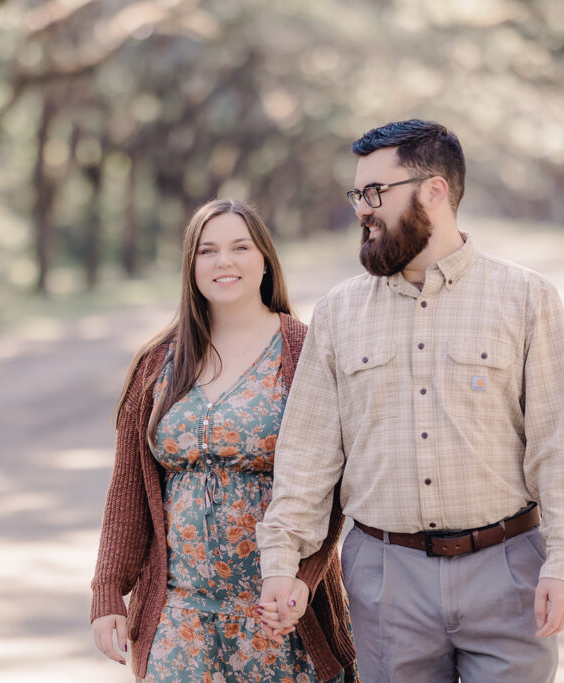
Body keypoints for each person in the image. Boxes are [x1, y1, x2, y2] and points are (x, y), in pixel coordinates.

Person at [255, 120, 564, 682]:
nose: (362, 210)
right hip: (385, 579)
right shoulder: (338, 312)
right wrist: (281, 561)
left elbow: (558, 442)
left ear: (434, 191)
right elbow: (308, 457)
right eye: (357, 194)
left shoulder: (526, 298)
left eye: (375, 193)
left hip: (508, 570)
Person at [90, 199, 358, 682]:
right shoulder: (159, 361)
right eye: (207, 251)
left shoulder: (305, 351)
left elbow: (331, 486)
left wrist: (306, 578)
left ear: (265, 260)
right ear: (191, 265)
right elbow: (127, 490)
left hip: (281, 614)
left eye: (240, 247)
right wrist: (109, 588)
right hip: (179, 616)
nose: (224, 262)